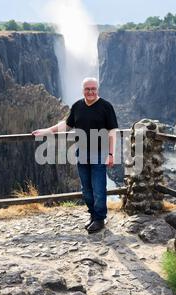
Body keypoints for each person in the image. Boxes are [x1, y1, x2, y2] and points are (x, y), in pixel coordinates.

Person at [32, 77, 118, 234]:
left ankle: (99, 218)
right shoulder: (78, 106)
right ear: (83, 90)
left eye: (93, 88)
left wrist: (111, 153)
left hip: (100, 153)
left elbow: (112, 132)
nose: (90, 91)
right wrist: (46, 131)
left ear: (97, 89)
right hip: (82, 152)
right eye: (87, 89)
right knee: (86, 188)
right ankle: (93, 214)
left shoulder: (106, 107)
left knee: (99, 188)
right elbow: (66, 125)